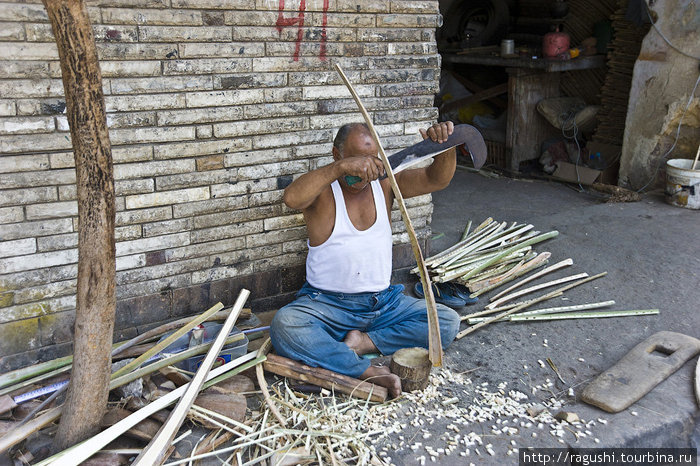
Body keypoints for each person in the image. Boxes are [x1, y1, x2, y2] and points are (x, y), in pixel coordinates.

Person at [270, 121, 461, 397]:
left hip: (383, 304)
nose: (366, 170)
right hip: (328, 306)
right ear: (337, 156)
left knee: (446, 322)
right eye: (357, 161)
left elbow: (437, 179)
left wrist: (443, 147)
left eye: (373, 160)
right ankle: (364, 370)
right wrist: (340, 170)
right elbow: (291, 198)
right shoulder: (324, 191)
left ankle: (364, 343)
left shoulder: (384, 184)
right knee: (285, 326)